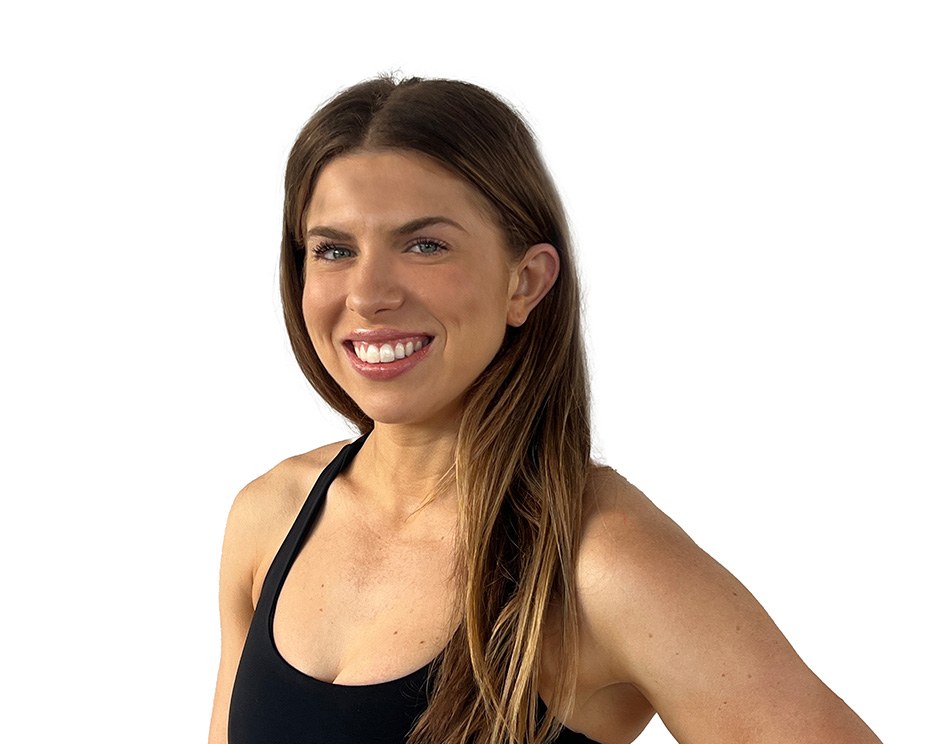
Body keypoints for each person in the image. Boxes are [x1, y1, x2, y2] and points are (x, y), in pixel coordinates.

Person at [208, 76, 882, 744]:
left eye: (424, 245)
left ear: (524, 283)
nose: (367, 294)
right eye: (334, 250)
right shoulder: (271, 518)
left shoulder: (598, 562)